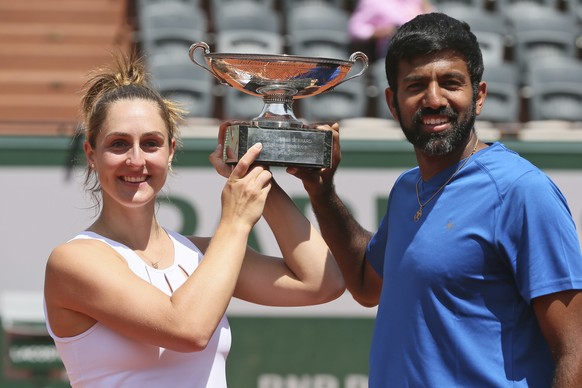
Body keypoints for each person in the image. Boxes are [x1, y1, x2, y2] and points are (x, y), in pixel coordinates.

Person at [289, 12, 582, 387]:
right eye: (416, 86)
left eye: (451, 83)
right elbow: (365, 284)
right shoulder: (406, 188)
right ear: (393, 103)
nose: (433, 99)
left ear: (478, 96)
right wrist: (322, 191)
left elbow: (574, 349)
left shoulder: (522, 191)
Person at [43, 52, 345, 387]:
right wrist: (235, 221)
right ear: (91, 155)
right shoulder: (73, 261)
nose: (136, 160)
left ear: (171, 151)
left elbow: (322, 282)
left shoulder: (198, 255)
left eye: (151, 144)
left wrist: (257, 172)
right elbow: (188, 329)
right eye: (118, 144)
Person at [348, 0, 433, 62]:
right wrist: (376, 32)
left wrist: (427, 8)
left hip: (423, 44)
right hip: (391, 47)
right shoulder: (372, 2)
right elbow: (355, 28)